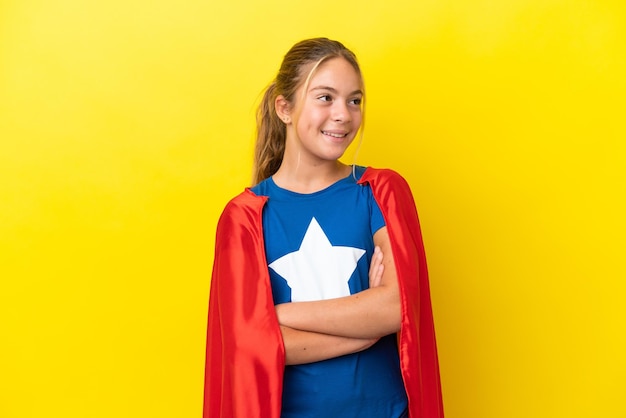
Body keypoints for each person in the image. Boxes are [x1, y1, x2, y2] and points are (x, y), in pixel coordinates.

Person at [204, 37, 443, 418]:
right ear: (285, 107)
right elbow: (248, 345)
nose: (343, 115)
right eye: (325, 97)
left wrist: (275, 314)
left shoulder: (379, 192)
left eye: (354, 100)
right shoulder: (245, 216)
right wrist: (365, 332)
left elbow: (397, 308)